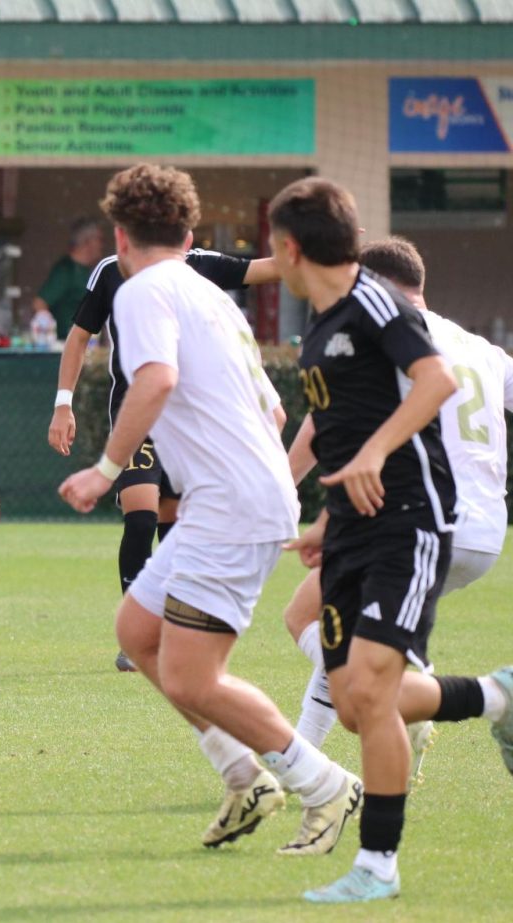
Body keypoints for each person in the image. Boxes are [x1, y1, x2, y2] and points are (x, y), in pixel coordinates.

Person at [59, 164, 362, 858]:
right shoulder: (209, 295)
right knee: (138, 630)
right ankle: (241, 774)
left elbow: (157, 380)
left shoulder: (140, 293)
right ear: (190, 234)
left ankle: (324, 785)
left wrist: (105, 469)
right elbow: (277, 408)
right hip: (227, 498)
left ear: (119, 235)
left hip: (230, 503)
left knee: (195, 676)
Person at [271, 179, 513, 904]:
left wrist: (375, 456)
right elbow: (343, 424)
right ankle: (499, 695)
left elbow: (434, 381)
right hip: (352, 524)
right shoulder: (320, 324)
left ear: (290, 246)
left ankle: (377, 864)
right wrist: (326, 513)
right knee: (354, 701)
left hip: (408, 520)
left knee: (371, 693)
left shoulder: (376, 301)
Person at [49, 235, 282, 672]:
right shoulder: (111, 270)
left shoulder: (200, 266)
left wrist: (329, 248)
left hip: (188, 423)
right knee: (141, 513)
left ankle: (172, 628)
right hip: (138, 413)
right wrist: (63, 402)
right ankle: (134, 637)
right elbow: (79, 337)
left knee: (173, 525)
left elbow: (267, 268)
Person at [30, 218, 104, 343]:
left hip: (87, 345)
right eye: (99, 240)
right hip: (65, 346)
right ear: (87, 242)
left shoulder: (89, 270)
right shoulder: (66, 270)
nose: (102, 245)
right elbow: (39, 303)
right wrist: (47, 335)